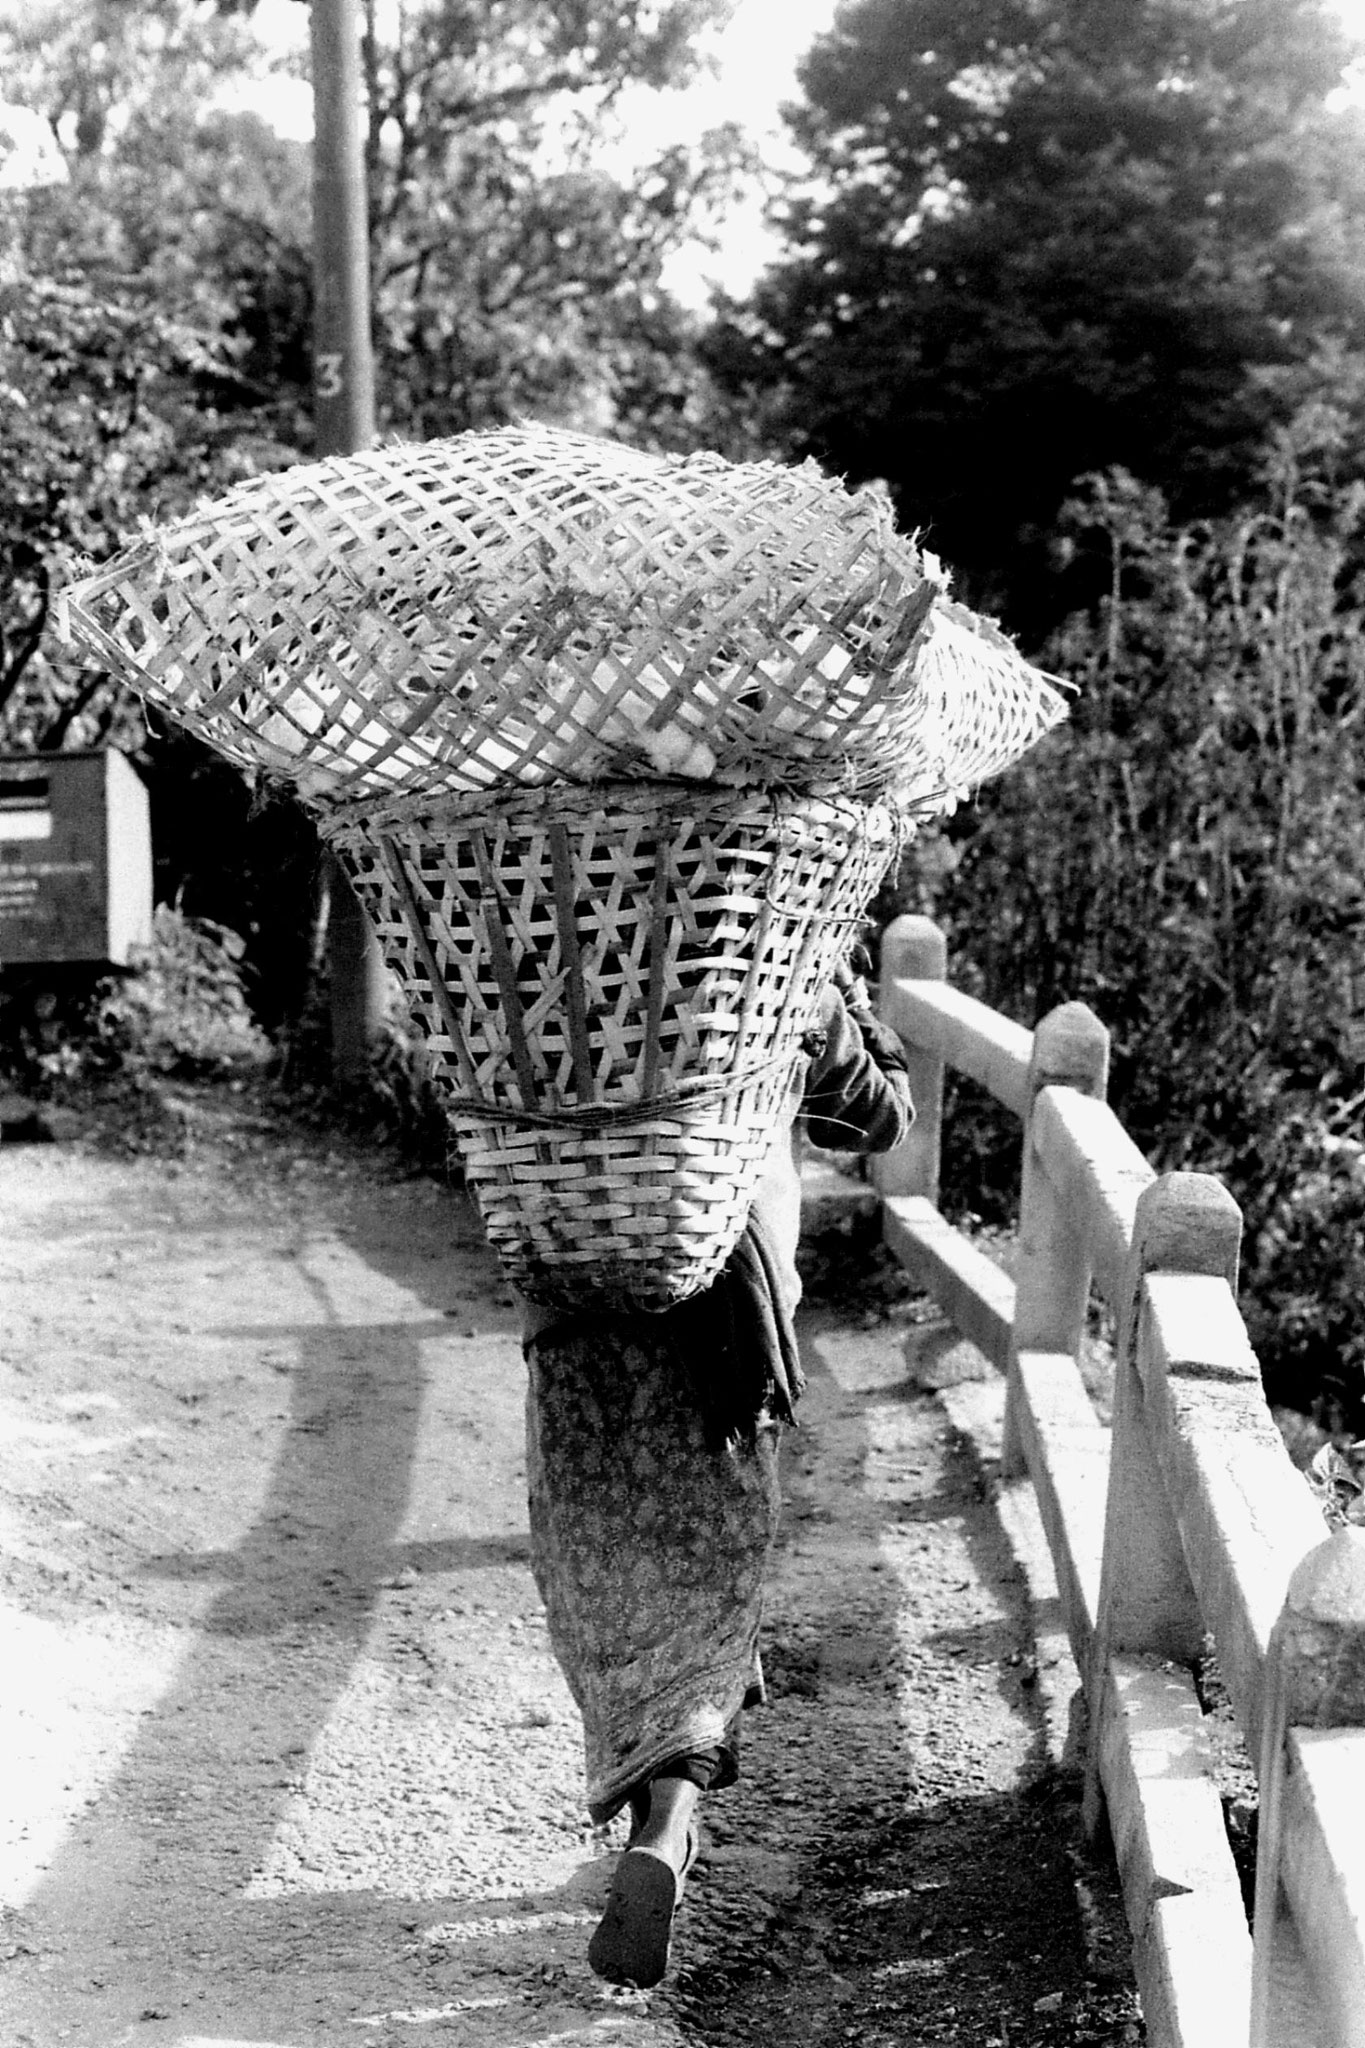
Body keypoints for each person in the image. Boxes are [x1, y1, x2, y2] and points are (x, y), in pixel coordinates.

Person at [519, 964, 914, 1988]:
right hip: (724, 1330)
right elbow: (877, 1118)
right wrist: (844, 986)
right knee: (708, 1598)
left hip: (569, 1308)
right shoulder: (775, 955)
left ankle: (653, 1819)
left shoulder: (546, 943)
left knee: (601, 1584)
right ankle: (671, 1820)